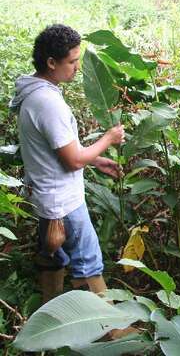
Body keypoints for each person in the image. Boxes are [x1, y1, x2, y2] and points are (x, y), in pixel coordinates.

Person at [9, 24, 125, 303]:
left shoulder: (35, 93)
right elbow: (73, 160)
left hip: (46, 196)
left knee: (54, 255)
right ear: (51, 62)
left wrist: (95, 160)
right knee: (88, 261)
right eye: (72, 61)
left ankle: (51, 314)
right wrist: (109, 138)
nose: (77, 67)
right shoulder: (48, 102)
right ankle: (109, 329)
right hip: (64, 202)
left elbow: (58, 152)